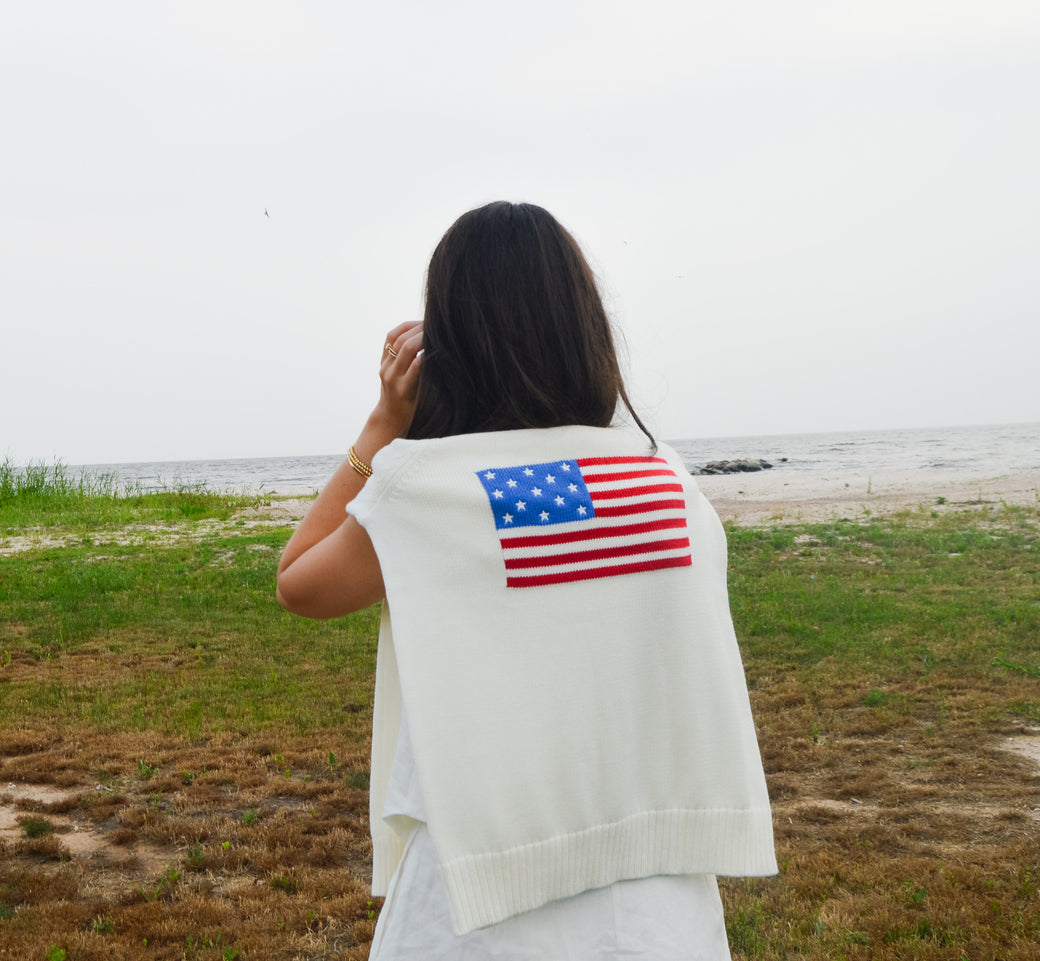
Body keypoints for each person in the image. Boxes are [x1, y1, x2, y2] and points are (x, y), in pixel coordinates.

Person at [276, 201, 776, 959]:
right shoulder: (664, 483)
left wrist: (382, 426)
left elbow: (299, 583)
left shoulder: (434, 494)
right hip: (654, 887)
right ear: (585, 329)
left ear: (449, 344)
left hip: (481, 885)